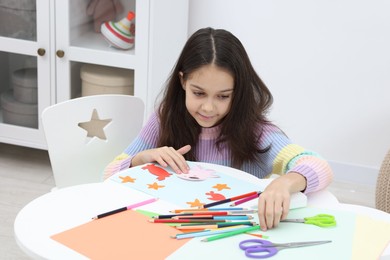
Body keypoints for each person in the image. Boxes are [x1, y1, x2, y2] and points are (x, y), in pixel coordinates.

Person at [103, 27, 333, 231]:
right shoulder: (165, 118)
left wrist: (284, 183)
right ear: (183, 81)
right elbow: (109, 173)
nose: (209, 107)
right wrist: (140, 159)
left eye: (223, 96)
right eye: (198, 93)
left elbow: (317, 165)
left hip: (233, 233)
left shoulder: (256, 130)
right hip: (174, 228)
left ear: (237, 91)